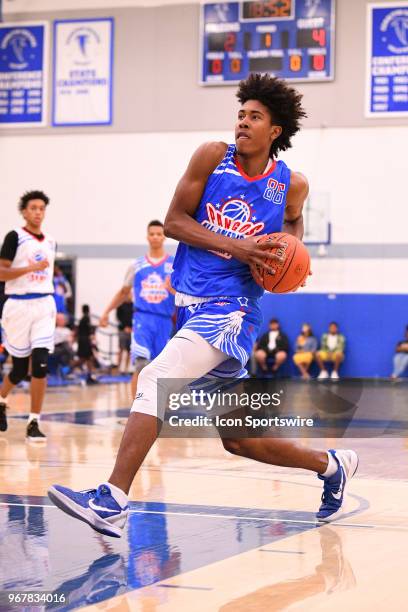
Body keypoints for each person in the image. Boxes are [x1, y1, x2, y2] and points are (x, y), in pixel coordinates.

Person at [49, 74, 358, 536]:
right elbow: (174, 221)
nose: (243, 122)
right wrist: (244, 248)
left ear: (275, 130)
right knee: (237, 439)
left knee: (155, 376)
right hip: (191, 304)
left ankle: (112, 499)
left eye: (255, 116)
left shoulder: (290, 184)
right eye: (240, 114)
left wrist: (286, 259)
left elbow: (292, 228)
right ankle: (331, 465)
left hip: (231, 310)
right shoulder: (213, 157)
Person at [0, 190, 56, 441]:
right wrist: (31, 267)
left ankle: (34, 422)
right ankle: (1, 400)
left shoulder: (51, 242)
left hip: (44, 304)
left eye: (41, 208)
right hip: (18, 305)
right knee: (20, 369)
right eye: (33, 207)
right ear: (24, 211)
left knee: (41, 362)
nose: (37, 212)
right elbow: (2, 274)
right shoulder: (15, 237)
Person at [99, 221, 175, 397]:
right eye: (152, 234)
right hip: (142, 319)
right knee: (141, 365)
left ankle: (158, 411)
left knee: (161, 370)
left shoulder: (173, 264)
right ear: (147, 236)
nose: (155, 237)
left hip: (165, 321)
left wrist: (173, 289)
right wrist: (106, 312)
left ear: (164, 236)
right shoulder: (137, 265)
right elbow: (124, 292)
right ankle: (136, 410)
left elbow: (184, 292)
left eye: (159, 233)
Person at [76, 304, 98, 385]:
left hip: (82, 341)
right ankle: (66, 369)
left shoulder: (82, 319)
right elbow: (89, 330)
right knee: (85, 358)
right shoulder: (86, 318)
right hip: (85, 341)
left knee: (87, 358)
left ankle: (89, 375)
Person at [116, 297, 133, 375]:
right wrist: (124, 327)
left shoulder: (134, 305)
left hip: (131, 330)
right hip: (122, 330)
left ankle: (126, 369)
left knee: (129, 350)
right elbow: (118, 318)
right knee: (121, 349)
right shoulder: (120, 306)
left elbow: (135, 317)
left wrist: (132, 327)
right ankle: (118, 368)